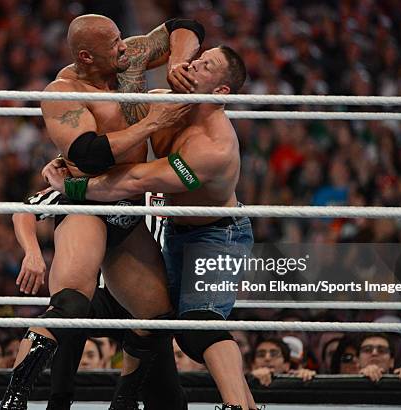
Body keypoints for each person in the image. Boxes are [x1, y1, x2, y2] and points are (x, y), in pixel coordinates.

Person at [0, 13, 205, 410]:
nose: (124, 47)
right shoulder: (62, 91)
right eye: (113, 45)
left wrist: (177, 62)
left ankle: (125, 401)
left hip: (126, 208)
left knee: (156, 314)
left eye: (120, 39)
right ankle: (17, 395)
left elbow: (187, 25)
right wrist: (152, 123)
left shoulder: (129, 60)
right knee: (73, 303)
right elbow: (87, 155)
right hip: (87, 204)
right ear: (86, 56)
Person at [44, 45, 257, 409]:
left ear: (221, 92)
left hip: (219, 234)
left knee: (197, 327)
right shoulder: (166, 103)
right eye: (197, 57)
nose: (192, 64)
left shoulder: (212, 148)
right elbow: (107, 132)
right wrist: (75, 157)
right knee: (159, 318)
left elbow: (135, 180)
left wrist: (73, 186)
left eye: (206, 65)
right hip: (175, 230)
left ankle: (237, 407)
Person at [12, 208, 184, 409]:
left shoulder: (171, 190)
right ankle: (45, 400)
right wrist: (32, 252)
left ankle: (123, 401)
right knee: (69, 310)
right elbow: (25, 210)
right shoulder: (101, 183)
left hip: (147, 299)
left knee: (169, 399)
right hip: (97, 291)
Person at [250, 338, 315, 387]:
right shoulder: (241, 382)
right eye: (261, 355)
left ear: (286, 365)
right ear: (253, 364)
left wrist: (306, 378)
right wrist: (249, 379)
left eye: (274, 354)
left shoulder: (295, 381)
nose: (267, 358)